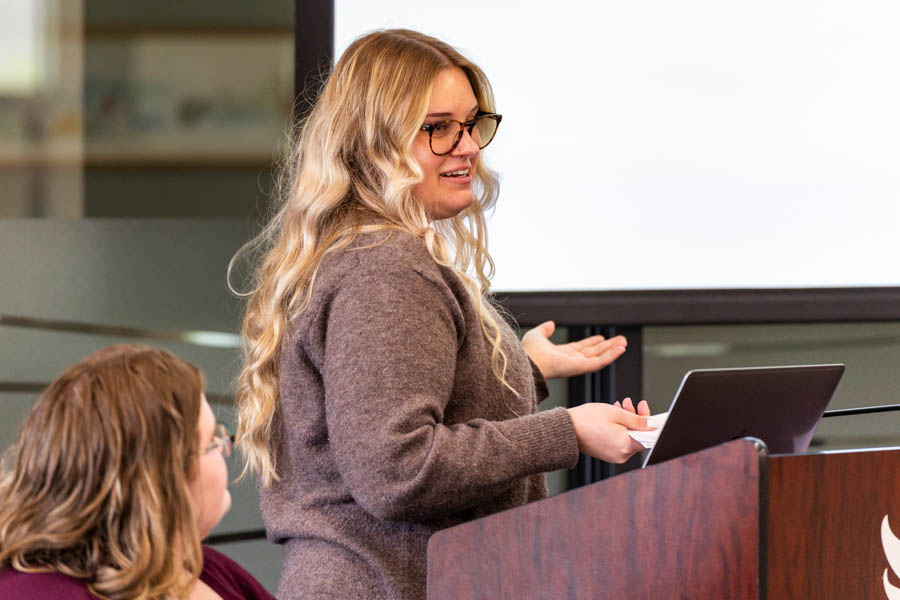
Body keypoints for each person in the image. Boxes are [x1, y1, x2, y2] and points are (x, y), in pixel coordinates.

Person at [232, 28, 652, 600]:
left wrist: (520, 368)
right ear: (372, 142)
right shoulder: (385, 269)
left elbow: (387, 408)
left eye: (472, 124)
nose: (468, 146)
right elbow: (398, 469)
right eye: (437, 128)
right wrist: (569, 431)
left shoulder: (365, 255)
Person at [0, 345, 275, 600]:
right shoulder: (34, 592)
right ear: (161, 479)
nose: (226, 448)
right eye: (212, 440)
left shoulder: (202, 566)